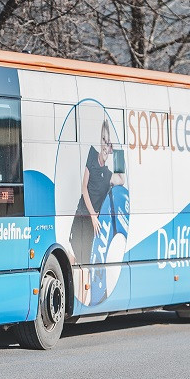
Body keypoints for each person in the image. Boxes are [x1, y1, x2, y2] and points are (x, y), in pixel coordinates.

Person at [69, 120, 125, 296]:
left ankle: (82, 299)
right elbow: (84, 188)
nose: (105, 145)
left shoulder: (108, 175)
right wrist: (93, 215)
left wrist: (117, 152)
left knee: (86, 265)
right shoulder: (92, 156)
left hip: (94, 225)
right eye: (103, 140)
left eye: (108, 143)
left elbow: (122, 180)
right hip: (82, 216)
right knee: (72, 256)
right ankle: (74, 295)